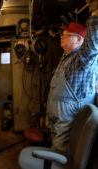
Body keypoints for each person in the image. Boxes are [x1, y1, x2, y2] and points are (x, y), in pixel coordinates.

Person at [47, 8, 98, 154]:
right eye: (62, 34)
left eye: (66, 34)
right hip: (58, 122)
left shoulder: (83, 60)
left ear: (80, 39)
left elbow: (93, 44)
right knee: (56, 153)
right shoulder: (67, 58)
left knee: (61, 159)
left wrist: (95, 14)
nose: (61, 36)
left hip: (68, 122)